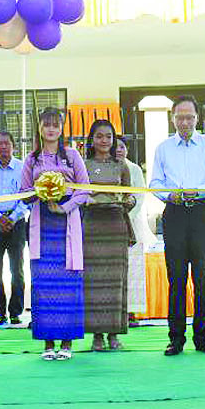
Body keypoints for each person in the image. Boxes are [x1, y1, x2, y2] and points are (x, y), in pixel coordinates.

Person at [150, 95, 205, 356]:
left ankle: (202, 336)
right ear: (173, 119)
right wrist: (168, 195)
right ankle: (176, 338)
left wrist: (196, 191)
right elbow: (155, 182)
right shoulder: (163, 148)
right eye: (180, 117)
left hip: (203, 212)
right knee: (176, 277)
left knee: (202, 276)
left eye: (189, 117)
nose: (185, 122)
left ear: (197, 118)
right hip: (175, 213)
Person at [20, 107, 89, 360]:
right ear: (39, 128)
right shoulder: (32, 159)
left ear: (62, 128)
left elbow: (84, 189)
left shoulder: (72, 156)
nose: (51, 129)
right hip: (42, 224)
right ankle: (48, 343)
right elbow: (23, 193)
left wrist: (65, 206)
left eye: (55, 125)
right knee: (44, 283)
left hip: (66, 222)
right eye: (46, 124)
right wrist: (40, 192)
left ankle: (67, 343)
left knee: (68, 282)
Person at [81, 119, 136, 352]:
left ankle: (114, 334)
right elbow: (77, 196)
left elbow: (130, 196)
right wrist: (87, 199)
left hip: (115, 224)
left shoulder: (121, 166)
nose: (104, 140)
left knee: (115, 281)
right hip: (92, 225)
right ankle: (96, 336)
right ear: (92, 139)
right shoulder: (83, 165)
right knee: (93, 281)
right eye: (99, 136)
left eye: (108, 136)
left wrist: (129, 202)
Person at [0, 130, 29, 326]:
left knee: (17, 269)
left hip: (16, 223)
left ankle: (16, 312)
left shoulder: (23, 168)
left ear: (13, 146)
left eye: (7, 143)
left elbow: (27, 197)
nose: (3, 147)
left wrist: (13, 217)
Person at [121, 139, 149, 320]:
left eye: (122, 147)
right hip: (112, 223)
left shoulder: (134, 169)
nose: (119, 150)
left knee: (133, 268)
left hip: (132, 224)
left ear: (127, 149)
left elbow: (139, 196)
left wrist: (127, 216)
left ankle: (131, 311)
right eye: (116, 147)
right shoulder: (107, 168)